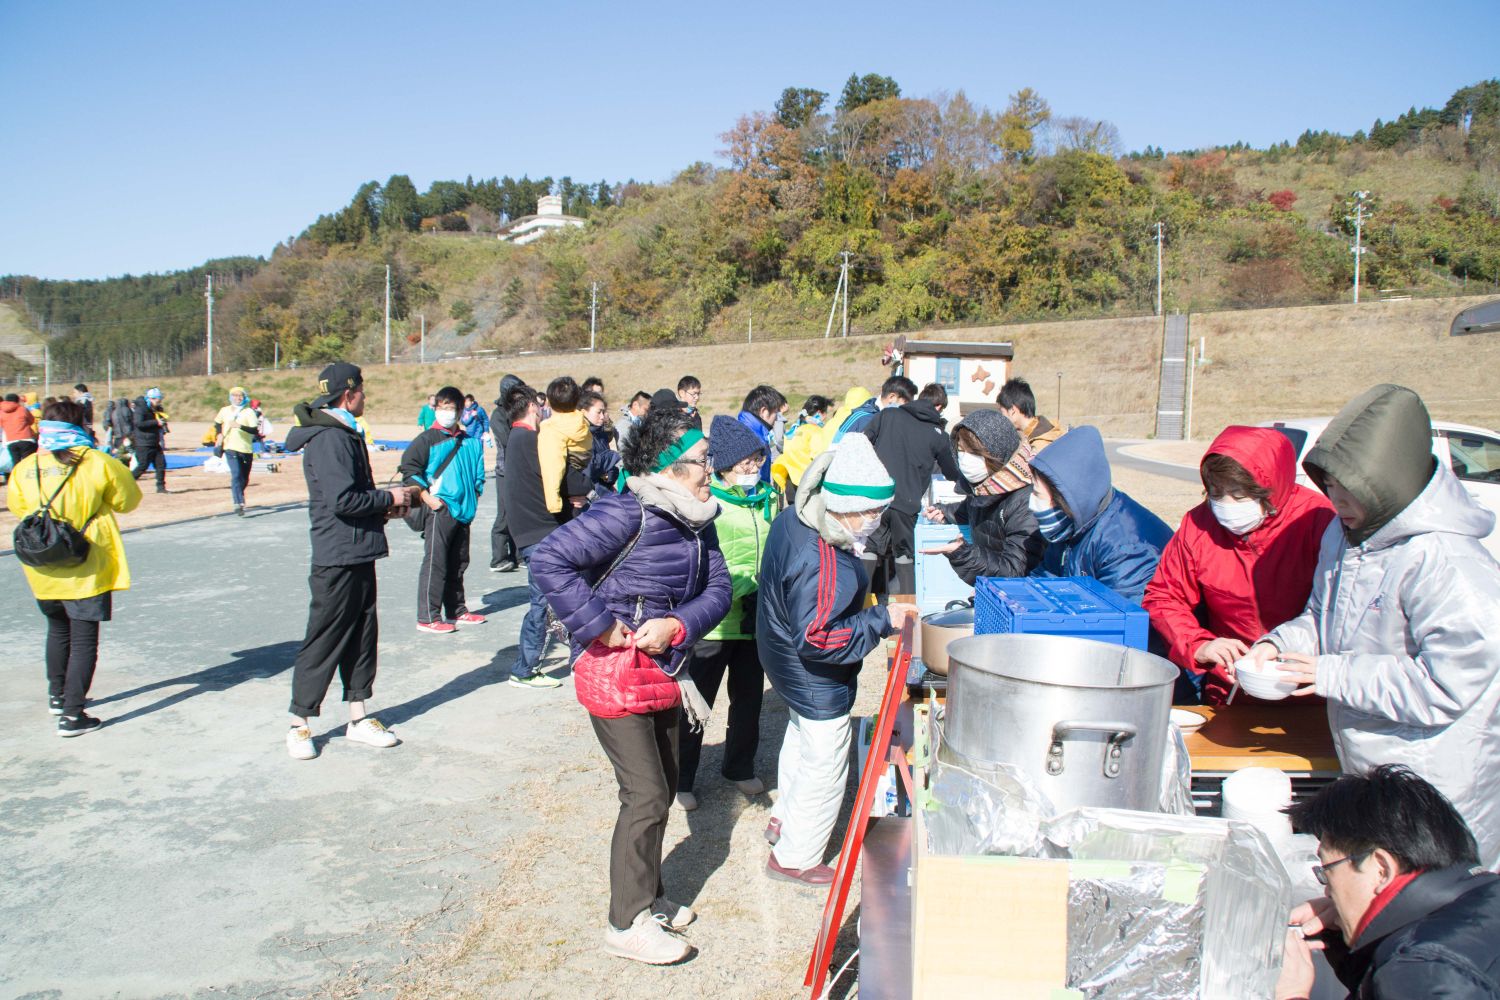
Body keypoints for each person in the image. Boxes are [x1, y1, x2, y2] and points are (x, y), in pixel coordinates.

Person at [1247, 385, 1500, 866]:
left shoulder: (1447, 561)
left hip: (1438, 784)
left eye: (1349, 491)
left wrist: (1328, 673)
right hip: (1372, 769)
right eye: (1331, 488)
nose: (1336, 501)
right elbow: (1322, 618)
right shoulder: (1346, 537)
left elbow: (1445, 686)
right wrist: (1279, 647)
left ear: (1388, 485)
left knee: (1429, 910)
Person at [529, 404, 731, 965]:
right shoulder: (627, 513)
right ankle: (626, 924)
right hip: (614, 675)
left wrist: (679, 624)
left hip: (666, 668)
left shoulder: (699, 517)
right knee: (644, 795)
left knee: (663, 789)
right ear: (669, 467)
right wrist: (599, 624)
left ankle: (649, 895)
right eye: (700, 459)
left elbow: (718, 589)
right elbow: (549, 561)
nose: (709, 469)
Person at [758, 434, 917, 886]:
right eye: (870, 513)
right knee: (826, 758)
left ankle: (783, 819)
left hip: (780, 654)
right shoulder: (820, 557)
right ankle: (795, 856)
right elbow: (820, 639)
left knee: (801, 737)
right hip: (811, 671)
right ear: (844, 505)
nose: (875, 521)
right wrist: (880, 619)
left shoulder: (798, 516)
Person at [1142, 426, 1338, 704]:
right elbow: (1164, 596)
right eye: (1216, 494)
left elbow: (1339, 605)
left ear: (1271, 489)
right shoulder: (1199, 526)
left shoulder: (1316, 521)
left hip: (1308, 684)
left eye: (1240, 495)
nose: (1226, 504)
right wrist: (1200, 645)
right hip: (1231, 682)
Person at [283, 363, 417, 760]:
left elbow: (353, 496)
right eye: (362, 390)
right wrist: (389, 498)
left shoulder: (344, 433)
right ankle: (299, 723)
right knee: (324, 636)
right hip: (336, 554)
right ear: (348, 394)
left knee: (362, 635)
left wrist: (382, 511)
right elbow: (342, 500)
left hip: (358, 549)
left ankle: (358, 716)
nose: (365, 397)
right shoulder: (330, 438)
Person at [1274, 765, 1500, 1000]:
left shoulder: (1422, 971)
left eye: (1327, 871)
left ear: (1382, 870)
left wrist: (1292, 994)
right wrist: (1354, 941)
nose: (1328, 891)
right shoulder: (1485, 897)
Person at [7, 400, 142, 735]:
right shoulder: (97, 462)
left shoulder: (27, 466)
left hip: (43, 563)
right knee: (84, 640)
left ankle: (57, 696)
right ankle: (73, 713)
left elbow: (17, 505)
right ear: (80, 425)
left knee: (57, 630)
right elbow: (128, 501)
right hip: (86, 562)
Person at [675, 416, 779, 812]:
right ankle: (682, 778)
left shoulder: (767, 498)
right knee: (696, 706)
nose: (753, 469)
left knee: (749, 700)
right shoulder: (706, 503)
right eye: (745, 464)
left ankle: (738, 766)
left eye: (757, 460)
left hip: (754, 623)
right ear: (721, 467)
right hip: (713, 625)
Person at [1025, 426, 1173, 603]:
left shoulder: (1127, 548)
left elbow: (1118, 618)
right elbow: (1046, 576)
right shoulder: (1072, 523)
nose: (1032, 503)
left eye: (1038, 494)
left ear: (1064, 497)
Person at [858, 376, 962, 595]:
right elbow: (953, 473)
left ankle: (860, 610)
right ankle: (907, 614)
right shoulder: (939, 436)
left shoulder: (888, 415)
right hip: (907, 506)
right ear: (939, 407)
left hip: (877, 499)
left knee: (869, 550)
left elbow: (861, 443)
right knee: (904, 556)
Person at [400, 386, 488, 634]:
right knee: (435, 561)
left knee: (459, 561)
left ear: (460, 410)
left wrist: (475, 493)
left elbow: (479, 473)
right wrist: (429, 499)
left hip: (465, 510)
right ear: (435, 409)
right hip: (440, 509)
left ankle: (457, 610)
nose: (446, 412)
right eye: (442, 407)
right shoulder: (427, 439)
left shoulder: (470, 441)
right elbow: (409, 470)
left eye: (451, 408)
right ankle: (427, 616)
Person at [920, 409, 1044, 582]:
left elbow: (1016, 572)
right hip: (993, 595)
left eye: (974, 452)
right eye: (960, 451)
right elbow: (973, 508)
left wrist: (964, 554)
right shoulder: (983, 487)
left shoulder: (1026, 501)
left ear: (998, 452)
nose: (965, 459)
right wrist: (945, 512)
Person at [500, 384, 566, 690]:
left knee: (553, 599)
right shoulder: (528, 439)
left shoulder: (516, 438)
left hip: (533, 532)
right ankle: (525, 668)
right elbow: (553, 476)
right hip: (539, 533)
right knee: (542, 603)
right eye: (539, 406)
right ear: (530, 407)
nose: (542, 411)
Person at [537, 376, 592, 516]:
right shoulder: (582, 423)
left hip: (567, 497)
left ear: (548, 401)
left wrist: (553, 505)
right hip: (583, 486)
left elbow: (553, 467)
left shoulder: (552, 429)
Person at [488, 374, 525, 572]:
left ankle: (518, 555)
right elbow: (508, 440)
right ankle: (498, 558)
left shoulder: (517, 412)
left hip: (519, 470)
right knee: (503, 515)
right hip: (505, 471)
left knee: (518, 513)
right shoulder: (498, 415)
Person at [214, 386, 262, 516]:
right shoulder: (224, 410)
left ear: (244, 397)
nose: (237, 398)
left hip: (246, 448)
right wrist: (219, 434)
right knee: (236, 474)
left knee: (244, 478)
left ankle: (239, 494)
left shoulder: (249, 412)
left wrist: (239, 426)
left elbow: (254, 430)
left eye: (240, 395)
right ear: (230, 397)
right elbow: (217, 423)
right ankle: (238, 502)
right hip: (230, 447)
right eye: (234, 395)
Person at [997, 378, 1065, 453]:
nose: (1001, 417)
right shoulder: (1049, 430)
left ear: (1012, 411)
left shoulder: (1039, 446)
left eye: (1002, 412)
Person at [736, 384, 787, 483]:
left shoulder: (745, 431)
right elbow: (747, 485)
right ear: (764, 411)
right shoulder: (753, 439)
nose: (776, 418)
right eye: (775, 413)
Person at [581, 390, 622, 495]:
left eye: (603, 412)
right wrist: (613, 456)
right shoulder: (580, 435)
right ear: (583, 412)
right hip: (591, 497)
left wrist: (609, 475)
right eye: (598, 412)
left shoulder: (601, 433)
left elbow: (611, 470)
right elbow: (589, 467)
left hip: (606, 492)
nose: (603, 416)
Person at [130, 387, 168, 494]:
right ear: (151, 399)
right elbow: (139, 424)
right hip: (143, 443)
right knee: (143, 466)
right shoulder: (140, 409)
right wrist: (156, 422)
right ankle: (126, 482)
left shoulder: (156, 409)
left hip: (154, 441)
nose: (159, 402)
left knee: (161, 464)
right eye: (158, 400)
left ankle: (161, 488)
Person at [1, 391, 39, 468]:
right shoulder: (22, 409)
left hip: (11, 441)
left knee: (16, 464)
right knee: (28, 463)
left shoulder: (2, 412)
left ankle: (16, 478)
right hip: (26, 439)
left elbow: (2, 425)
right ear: (17, 400)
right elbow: (31, 421)